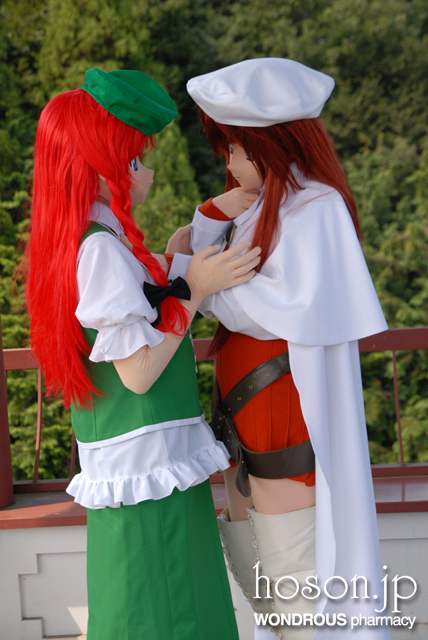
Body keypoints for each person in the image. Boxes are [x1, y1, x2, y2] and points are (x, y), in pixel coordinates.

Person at [24, 67, 262, 640]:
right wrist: (194, 290)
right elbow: (137, 372)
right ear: (99, 169)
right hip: (149, 467)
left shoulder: (90, 239)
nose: (146, 172)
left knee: (149, 607)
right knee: (169, 612)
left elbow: (147, 300)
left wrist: (190, 246)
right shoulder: (99, 251)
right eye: (133, 161)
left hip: (147, 463)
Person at [181, 58, 391, 639]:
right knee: (259, 573)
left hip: (281, 412)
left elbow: (262, 304)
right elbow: (212, 275)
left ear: (266, 145)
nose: (228, 163)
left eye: (234, 149)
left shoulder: (315, 207)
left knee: (293, 577)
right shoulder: (264, 203)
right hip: (244, 411)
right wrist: (209, 224)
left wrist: (197, 283)